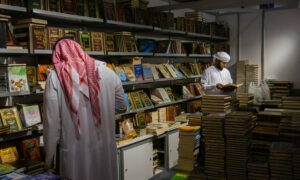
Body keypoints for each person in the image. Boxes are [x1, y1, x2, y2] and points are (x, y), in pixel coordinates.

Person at [43, 38, 127, 180]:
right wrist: (103, 111)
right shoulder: (109, 73)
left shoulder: (55, 77)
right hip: (104, 148)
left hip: (75, 154)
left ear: (57, 54)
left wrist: (48, 159)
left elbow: (52, 123)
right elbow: (121, 106)